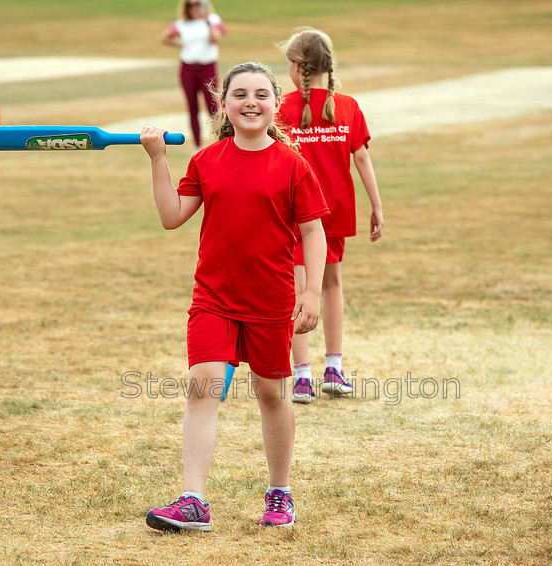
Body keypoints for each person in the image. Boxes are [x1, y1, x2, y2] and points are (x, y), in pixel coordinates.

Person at [140, 61, 328, 532]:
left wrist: (310, 292)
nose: (250, 102)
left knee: (271, 394)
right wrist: (157, 159)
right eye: (240, 94)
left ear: (275, 104)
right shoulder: (207, 160)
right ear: (223, 104)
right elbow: (170, 216)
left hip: (269, 300)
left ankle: (280, 493)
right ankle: (192, 501)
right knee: (203, 385)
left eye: (261, 94)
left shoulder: (292, 164)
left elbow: (313, 232)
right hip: (214, 298)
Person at [276, 27, 384, 404]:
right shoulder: (349, 106)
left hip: (294, 215)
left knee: (299, 289)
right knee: (331, 286)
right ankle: (334, 369)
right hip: (334, 213)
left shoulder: (283, 109)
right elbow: (362, 158)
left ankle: (302, 376)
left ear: (296, 67)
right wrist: (376, 205)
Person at [161, 0, 227, 150]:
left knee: (213, 106)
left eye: (198, 4)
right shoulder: (182, 24)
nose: (195, 7)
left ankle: (220, 142)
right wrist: (181, 45)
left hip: (208, 67)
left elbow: (215, 39)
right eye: (191, 5)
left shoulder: (213, 20)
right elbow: (165, 38)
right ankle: (197, 147)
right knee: (192, 107)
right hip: (188, 68)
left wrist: (207, 21)